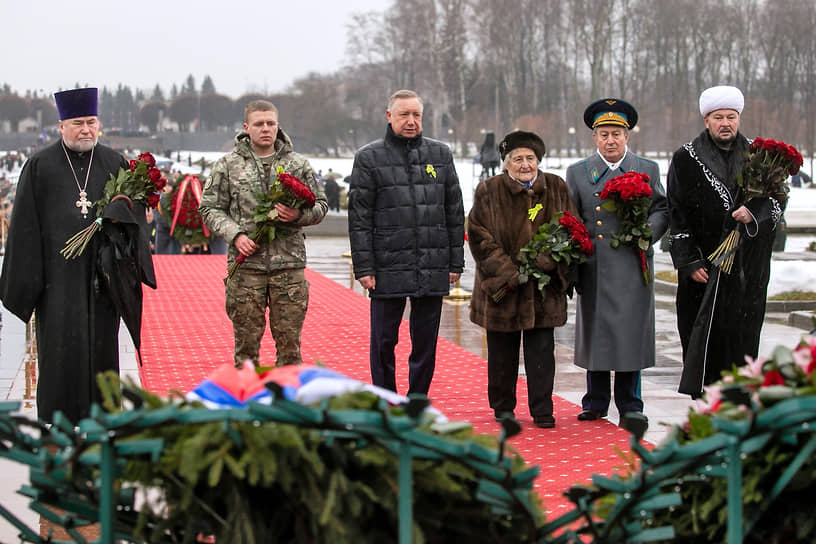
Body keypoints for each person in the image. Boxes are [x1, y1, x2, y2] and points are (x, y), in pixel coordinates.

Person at [0, 87, 155, 423]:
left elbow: (133, 220)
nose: (86, 129)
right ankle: (58, 427)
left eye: (91, 122)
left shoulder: (115, 163)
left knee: (103, 353)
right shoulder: (39, 166)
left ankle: (102, 423)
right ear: (61, 126)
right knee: (58, 358)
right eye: (78, 123)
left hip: (103, 279)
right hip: (57, 283)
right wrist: (28, 284)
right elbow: (25, 228)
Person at [667, 85, 786, 396]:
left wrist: (754, 212)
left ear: (739, 118)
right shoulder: (685, 158)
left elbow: (777, 201)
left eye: (731, 117)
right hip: (703, 266)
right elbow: (675, 211)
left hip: (746, 268)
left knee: (742, 335)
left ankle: (741, 395)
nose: (725, 123)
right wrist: (688, 260)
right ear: (706, 120)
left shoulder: (758, 156)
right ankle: (704, 393)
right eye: (718, 117)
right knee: (703, 333)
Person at [348, 89, 465, 396]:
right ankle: (385, 399)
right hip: (387, 267)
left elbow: (454, 211)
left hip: (432, 264)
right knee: (384, 342)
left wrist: (455, 262)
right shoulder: (369, 158)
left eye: (416, 115)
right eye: (404, 115)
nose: (411, 121)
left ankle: (417, 402)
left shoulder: (440, 155)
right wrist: (365, 267)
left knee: (425, 342)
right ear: (389, 116)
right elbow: (360, 219)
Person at [566, 98, 668, 433]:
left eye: (617, 133)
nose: (611, 140)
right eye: (604, 134)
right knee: (596, 335)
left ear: (628, 136)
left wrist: (646, 233)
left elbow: (661, 209)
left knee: (629, 336)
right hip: (595, 265)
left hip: (633, 264)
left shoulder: (646, 168)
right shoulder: (578, 172)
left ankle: (630, 405)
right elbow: (571, 216)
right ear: (594, 138)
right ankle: (594, 402)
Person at [200, 100, 327, 368]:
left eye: (271, 123)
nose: (266, 129)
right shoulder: (227, 165)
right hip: (247, 267)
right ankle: (246, 404)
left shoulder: (298, 164)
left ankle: (286, 404)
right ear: (246, 128)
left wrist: (298, 216)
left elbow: (321, 205)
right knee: (246, 351)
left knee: (290, 350)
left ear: (278, 126)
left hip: (288, 266)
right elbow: (210, 208)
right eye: (259, 124)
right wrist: (235, 235)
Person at [468, 131, 576, 428]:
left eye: (530, 158)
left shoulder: (556, 187)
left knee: (542, 353)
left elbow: (571, 230)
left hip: (544, 290)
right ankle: (503, 408)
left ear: (539, 161)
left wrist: (546, 262)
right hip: (501, 288)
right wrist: (510, 272)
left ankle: (542, 409)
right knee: (501, 354)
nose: (525, 164)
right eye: (517, 158)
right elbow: (478, 236)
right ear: (506, 163)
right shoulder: (488, 190)